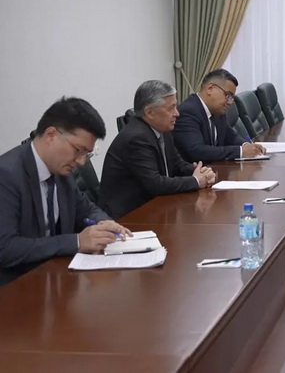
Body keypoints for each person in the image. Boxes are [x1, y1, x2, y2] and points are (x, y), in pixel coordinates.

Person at [0, 97, 131, 286]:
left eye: (86, 154)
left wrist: (105, 223)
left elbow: (86, 209)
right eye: (78, 150)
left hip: (57, 278)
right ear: (51, 135)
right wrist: (76, 242)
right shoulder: (6, 175)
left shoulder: (61, 172)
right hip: (18, 286)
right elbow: (6, 248)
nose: (81, 162)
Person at [99, 80, 217, 218]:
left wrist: (201, 172)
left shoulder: (162, 129)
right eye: (171, 108)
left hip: (153, 208)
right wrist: (196, 181)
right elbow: (155, 184)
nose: (177, 113)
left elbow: (177, 164)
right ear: (149, 112)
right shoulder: (137, 138)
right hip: (128, 217)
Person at [173, 68, 266, 162]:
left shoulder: (217, 110)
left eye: (232, 98)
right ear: (210, 89)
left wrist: (246, 145)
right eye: (228, 95)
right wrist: (241, 151)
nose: (230, 102)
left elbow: (230, 136)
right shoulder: (188, 112)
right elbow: (197, 151)